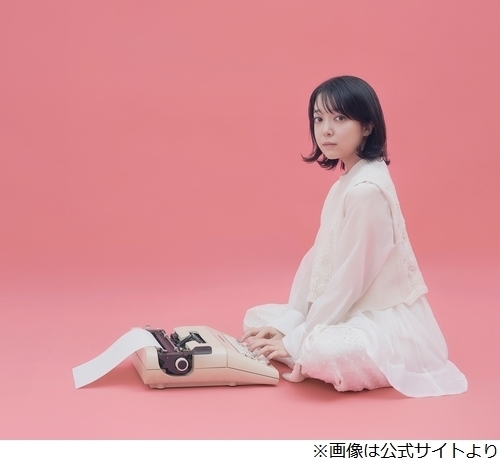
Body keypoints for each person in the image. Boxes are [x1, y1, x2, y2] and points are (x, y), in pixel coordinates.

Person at [240, 76, 467, 397]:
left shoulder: (367, 190)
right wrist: (291, 323)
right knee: (257, 320)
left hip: (381, 322)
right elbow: (318, 260)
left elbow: (350, 281)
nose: (326, 130)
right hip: (346, 311)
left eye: (340, 118)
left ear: (367, 127)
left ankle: (309, 352)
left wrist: (297, 338)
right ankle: (302, 344)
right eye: (319, 119)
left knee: (322, 350)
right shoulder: (346, 182)